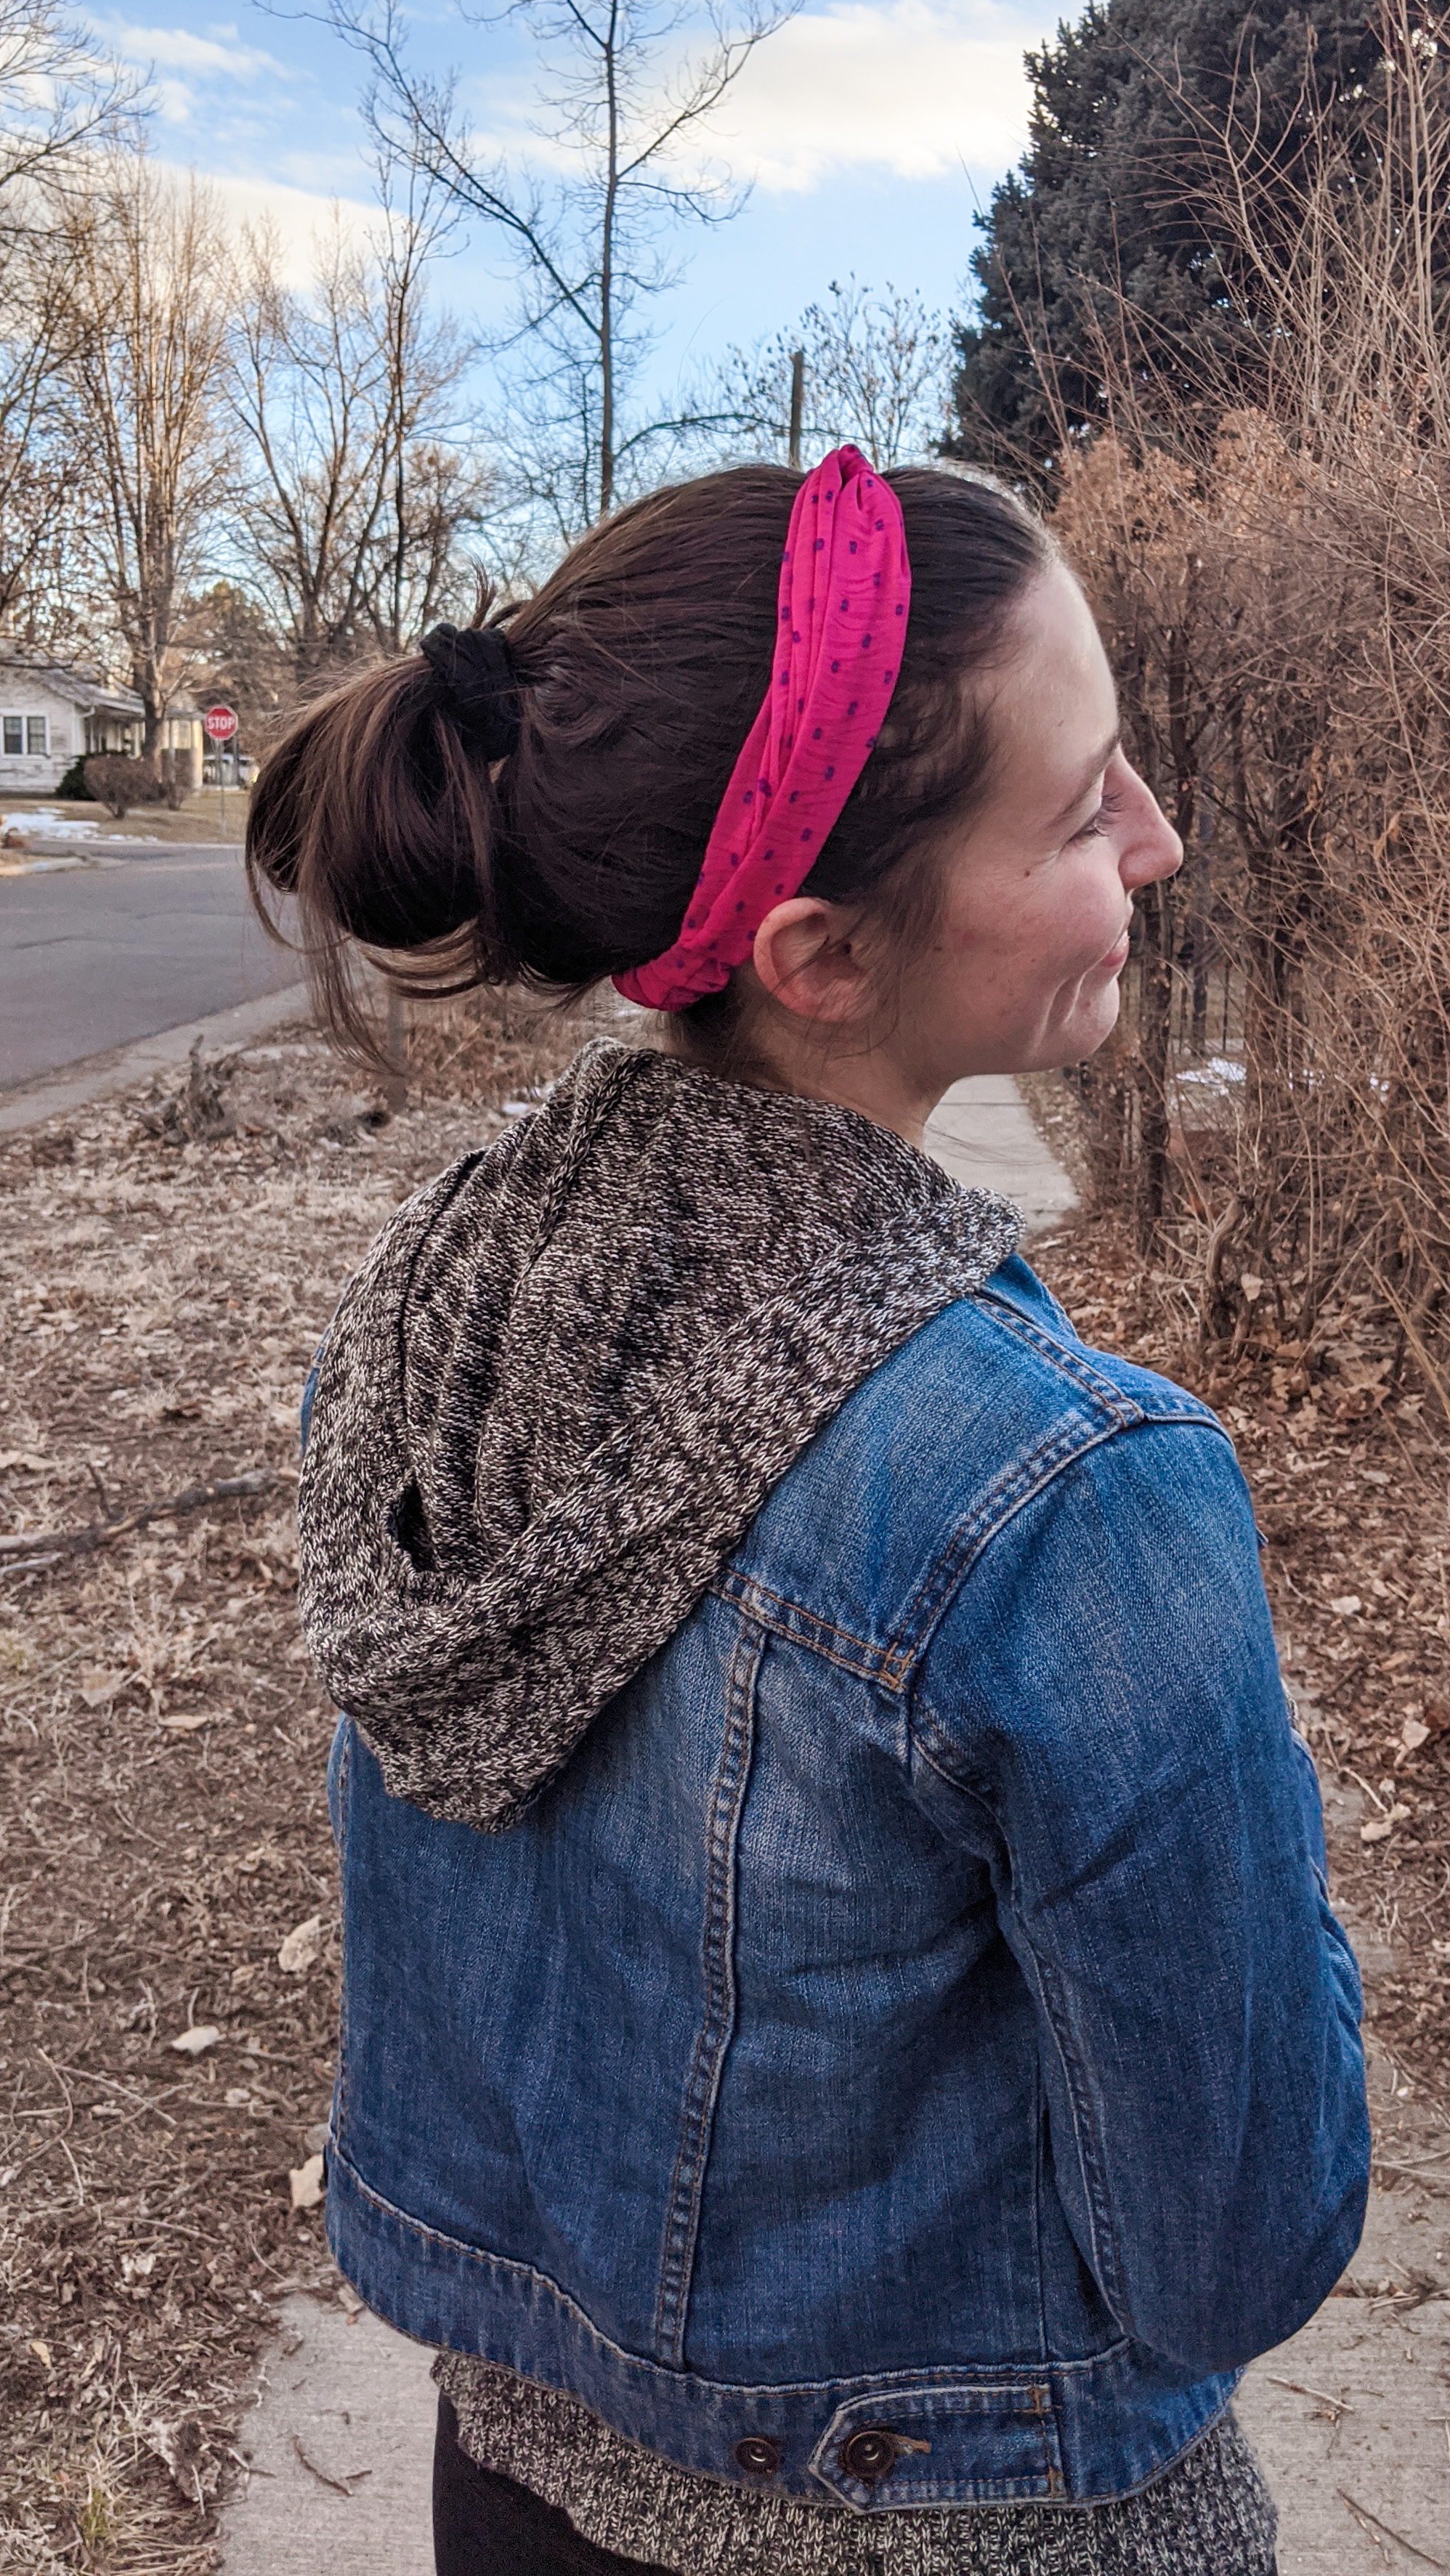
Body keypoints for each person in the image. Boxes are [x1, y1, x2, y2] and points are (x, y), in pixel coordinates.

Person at [247, 450, 1368, 2576]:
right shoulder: (1066, 1502)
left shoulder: (434, 1327)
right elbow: (1242, 2239)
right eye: (1081, 805)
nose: (1161, 836)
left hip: (517, 2494)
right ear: (821, 953)